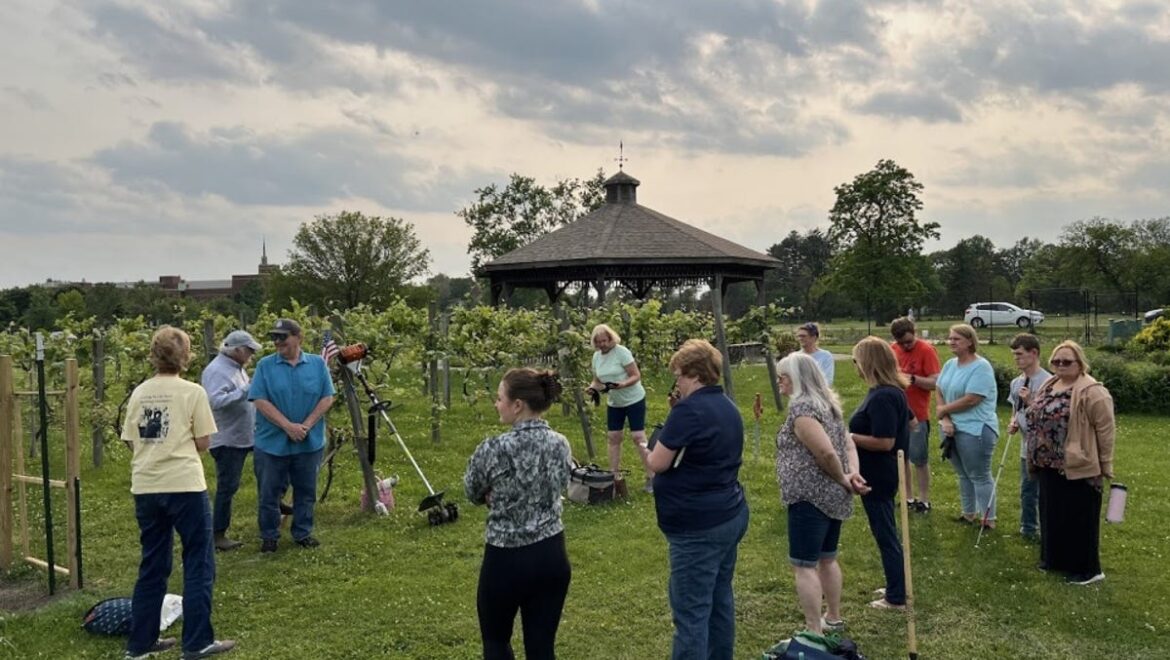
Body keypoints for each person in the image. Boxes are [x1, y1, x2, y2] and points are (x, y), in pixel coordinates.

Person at [121, 326, 235, 660]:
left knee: (153, 563)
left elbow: (132, 440)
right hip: (184, 485)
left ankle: (140, 644)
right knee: (198, 560)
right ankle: (197, 642)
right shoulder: (193, 392)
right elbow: (203, 442)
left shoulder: (140, 393)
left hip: (146, 485)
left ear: (153, 355)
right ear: (185, 356)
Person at [647, 339, 749, 660]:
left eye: (677, 375)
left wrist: (657, 432)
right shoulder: (727, 405)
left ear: (693, 374)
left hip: (697, 526)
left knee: (691, 612)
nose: (676, 383)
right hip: (729, 512)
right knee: (719, 599)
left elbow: (657, 462)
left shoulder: (688, 411)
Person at [464, 368, 573, 660]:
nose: (496, 404)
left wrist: (494, 494)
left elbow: (472, 491)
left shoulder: (493, 448)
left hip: (506, 559)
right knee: (542, 647)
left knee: (496, 641)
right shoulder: (561, 443)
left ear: (517, 405)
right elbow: (561, 483)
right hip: (551, 555)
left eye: (499, 398)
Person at [775, 352, 867, 635]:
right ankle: (834, 617)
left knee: (804, 565)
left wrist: (843, 477)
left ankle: (814, 629)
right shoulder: (829, 405)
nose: (779, 383)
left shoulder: (802, 410)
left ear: (796, 378)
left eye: (782, 377)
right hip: (833, 495)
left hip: (811, 497)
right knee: (828, 558)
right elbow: (848, 444)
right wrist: (852, 475)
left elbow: (825, 452)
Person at [1024, 340, 1115, 585]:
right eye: (1056, 361)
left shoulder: (1093, 391)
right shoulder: (1049, 384)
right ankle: (1053, 559)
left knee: (1079, 517)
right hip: (1048, 462)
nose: (1061, 365)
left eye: (1067, 361)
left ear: (1080, 363)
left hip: (1079, 463)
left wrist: (1106, 463)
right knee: (1053, 513)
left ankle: (1088, 569)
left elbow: (1106, 430)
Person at [248, 319, 334, 552]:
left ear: (298, 337)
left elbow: (327, 397)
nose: (277, 342)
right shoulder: (265, 366)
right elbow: (259, 399)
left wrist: (306, 425)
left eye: (282, 337)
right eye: (274, 337)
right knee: (269, 492)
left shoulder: (317, 364)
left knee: (306, 491)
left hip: (308, 442)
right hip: (272, 443)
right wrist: (287, 426)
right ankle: (269, 536)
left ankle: (302, 532)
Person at [849, 337, 911, 611]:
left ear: (868, 362)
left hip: (878, 473)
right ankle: (896, 583)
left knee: (886, 534)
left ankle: (896, 596)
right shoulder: (890, 392)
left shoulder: (884, 396)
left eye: (856, 361)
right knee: (886, 531)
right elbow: (911, 420)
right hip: (881, 470)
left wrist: (850, 437)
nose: (855, 367)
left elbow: (885, 442)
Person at [200, 330, 261, 552]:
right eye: (249, 350)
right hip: (228, 439)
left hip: (243, 435)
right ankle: (217, 534)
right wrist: (246, 390)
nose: (252, 354)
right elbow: (215, 401)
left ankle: (276, 502)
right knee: (228, 487)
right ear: (237, 350)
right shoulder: (216, 370)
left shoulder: (236, 368)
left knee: (269, 466)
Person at [936, 324, 1000, 528]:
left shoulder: (981, 367)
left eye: (957, 339)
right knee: (963, 474)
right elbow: (939, 389)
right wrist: (945, 418)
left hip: (976, 429)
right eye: (950, 338)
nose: (951, 342)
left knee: (979, 475)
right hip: (950, 427)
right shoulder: (949, 364)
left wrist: (943, 410)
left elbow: (972, 399)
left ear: (970, 341)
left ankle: (988, 519)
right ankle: (968, 513)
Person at [588, 323, 651, 495]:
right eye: (598, 342)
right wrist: (593, 388)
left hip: (634, 399)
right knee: (614, 437)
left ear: (611, 338)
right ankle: (614, 477)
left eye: (604, 341)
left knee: (638, 436)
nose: (602, 344)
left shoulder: (621, 352)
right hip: (615, 402)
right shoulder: (596, 357)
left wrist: (623, 384)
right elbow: (597, 380)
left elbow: (636, 375)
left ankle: (652, 476)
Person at [889, 317, 941, 513]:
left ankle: (924, 499)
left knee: (919, 458)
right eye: (901, 343)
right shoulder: (893, 349)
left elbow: (935, 382)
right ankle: (907, 497)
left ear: (915, 333)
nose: (905, 346)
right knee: (901, 458)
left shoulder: (926, 350)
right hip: (896, 413)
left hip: (918, 414)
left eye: (909, 342)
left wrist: (912, 379)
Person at [1006, 333, 1049, 540]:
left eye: (1020, 354)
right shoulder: (1016, 382)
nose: (1016, 359)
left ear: (1034, 353)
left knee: (1046, 490)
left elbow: (1051, 417)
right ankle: (1028, 528)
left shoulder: (1048, 382)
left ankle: (1049, 528)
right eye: (1014, 355)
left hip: (1046, 446)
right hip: (1026, 446)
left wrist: (1031, 401)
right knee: (1027, 489)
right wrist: (1013, 421)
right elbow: (1016, 409)